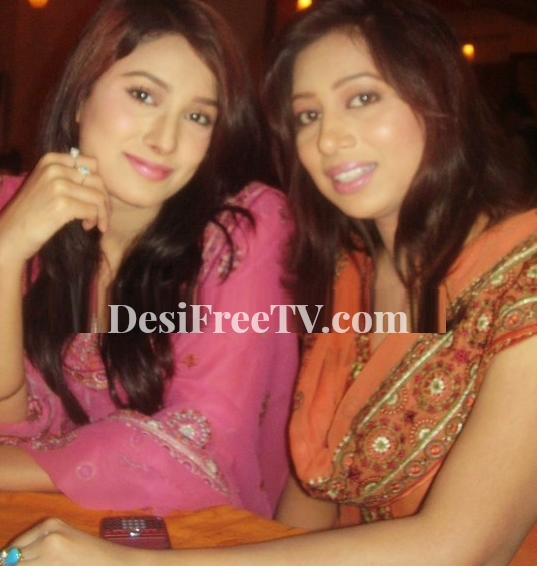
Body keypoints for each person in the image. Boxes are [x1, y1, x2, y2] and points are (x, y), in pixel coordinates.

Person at [3, 0, 535, 564]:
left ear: (439, 95)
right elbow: (314, 495)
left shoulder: (521, 275)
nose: (329, 138)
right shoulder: (349, 273)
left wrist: (140, 564)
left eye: (362, 98)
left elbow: (466, 547)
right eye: (307, 115)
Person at [0, 0, 298, 520]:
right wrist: (5, 256)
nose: (165, 139)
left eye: (198, 116)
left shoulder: (243, 235)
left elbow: (205, 441)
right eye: (143, 95)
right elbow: (10, 421)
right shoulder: (14, 213)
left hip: (193, 543)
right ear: (80, 97)